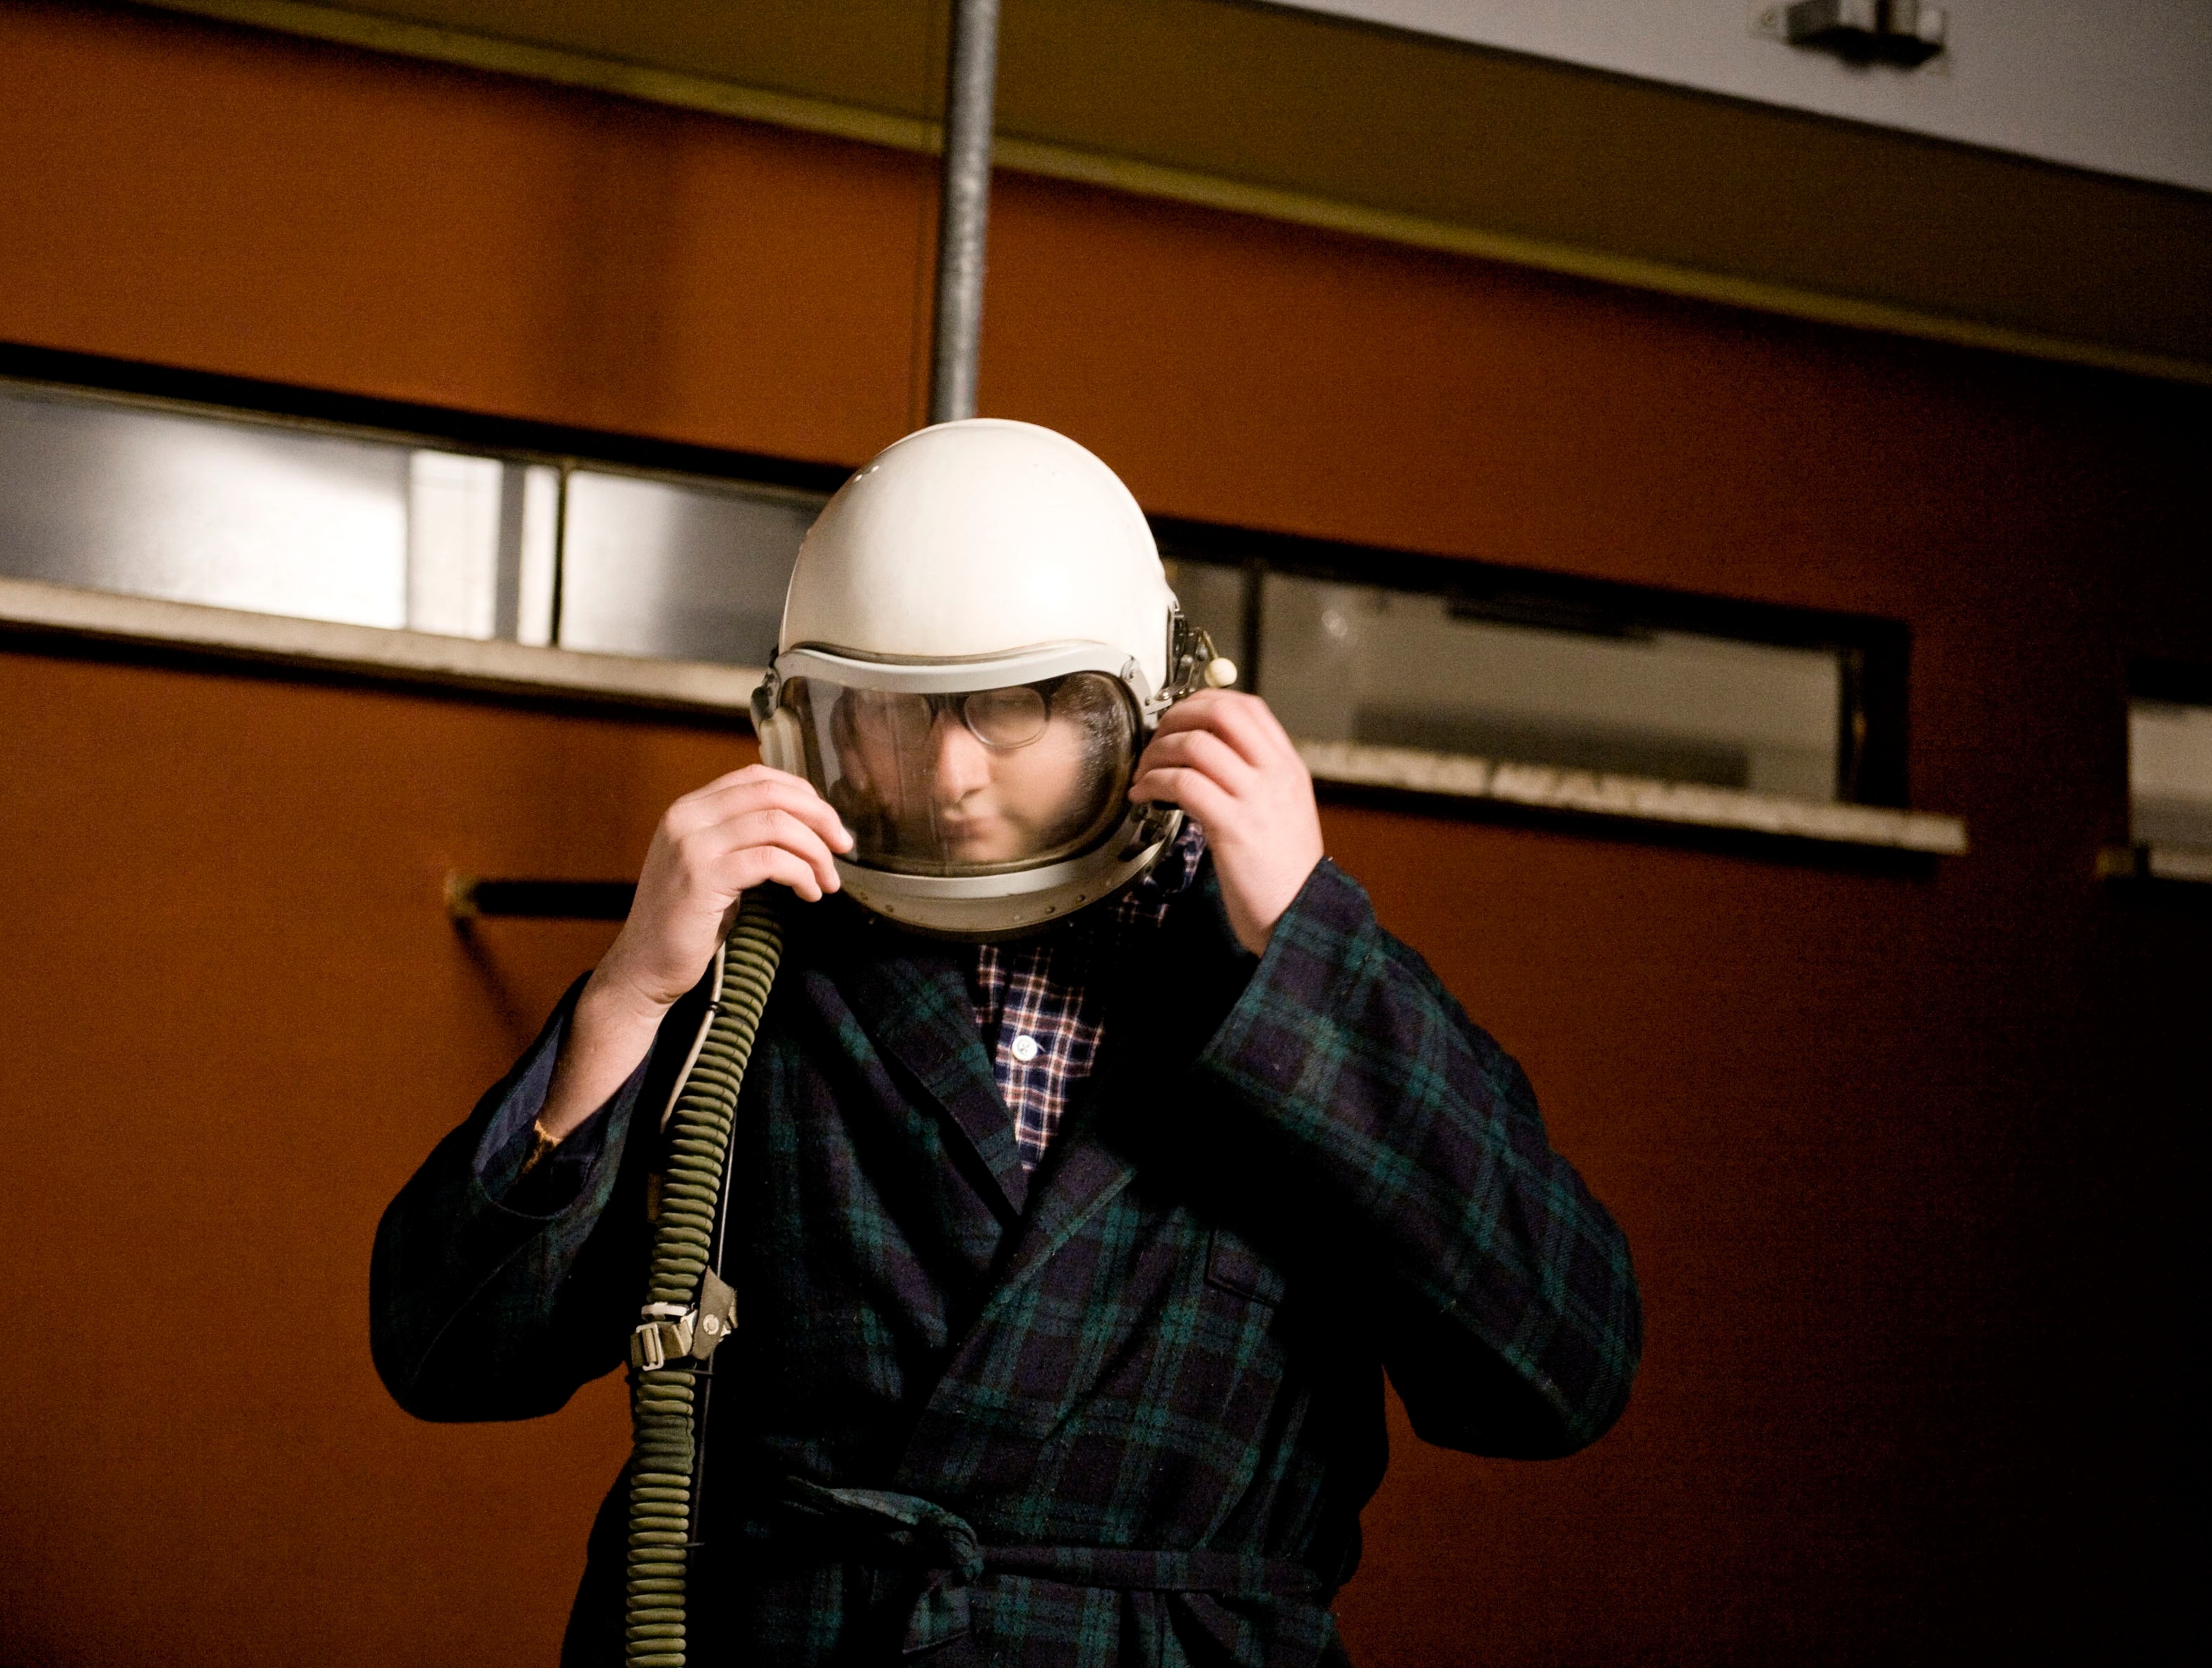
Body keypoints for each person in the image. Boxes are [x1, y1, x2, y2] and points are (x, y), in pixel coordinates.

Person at [372, 419, 1640, 1667]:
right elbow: (447, 1352)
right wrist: (629, 997)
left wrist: (1315, 950)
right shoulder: (751, 965)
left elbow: (1557, 1374)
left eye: (1019, 706)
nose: (950, 772)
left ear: (1148, 701)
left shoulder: (1295, 980)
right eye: (890, 712)